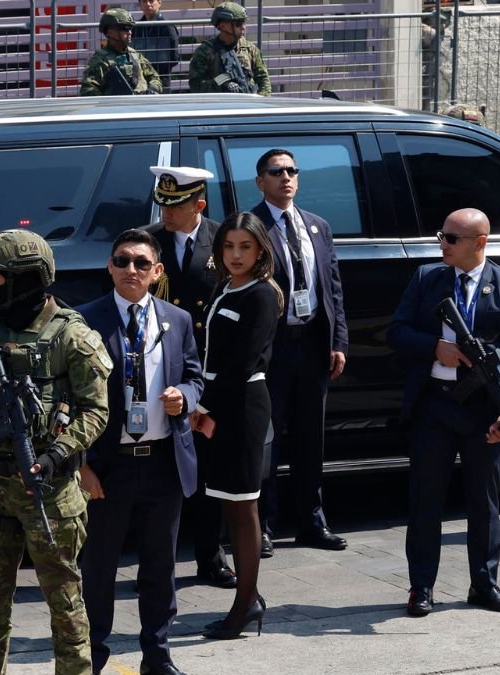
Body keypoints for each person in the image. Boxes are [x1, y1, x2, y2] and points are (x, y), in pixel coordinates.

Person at [0, 229, 111, 675]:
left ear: (25, 280)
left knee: (66, 606)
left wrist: (56, 453)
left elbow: (95, 411)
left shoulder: (72, 336)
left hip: (50, 491)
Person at [387, 208, 500, 618]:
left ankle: (484, 583)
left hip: (483, 410)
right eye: (442, 236)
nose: (443, 244)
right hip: (434, 404)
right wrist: (436, 347)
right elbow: (396, 331)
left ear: (480, 242)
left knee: (483, 502)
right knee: (425, 501)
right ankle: (421, 587)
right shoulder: (426, 279)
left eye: (452, 238)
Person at [76, 229, 203, 675]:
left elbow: (195, 375)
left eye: (141, 263)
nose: (132, 270)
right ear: (110, 267)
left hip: (163, 462)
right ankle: (91, 654)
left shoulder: (177, 319)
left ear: (157, 271)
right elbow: (68, 399)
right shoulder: (85, 320)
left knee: (159, 568)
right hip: (109, 468)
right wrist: (83, 465)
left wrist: (184, 396)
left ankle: (157, 654)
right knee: (99, 569)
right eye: (123, 261)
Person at [248, 149, 349, 557]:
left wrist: (338, 341)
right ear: (260, 181)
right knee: (267, 440)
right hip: (272, 349)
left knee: (311, 438)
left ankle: (312, 521)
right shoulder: (251, 227)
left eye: (292, 171)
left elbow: (334, 288)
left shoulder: (317, 226)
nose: (286, 177)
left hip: (312, 345)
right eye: (276, 172)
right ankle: (264, 524)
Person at [142, 166, 236, 590]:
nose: (167, 212)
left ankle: (209, 556)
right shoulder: (146, 244)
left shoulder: (223, 240)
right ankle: (155, 563)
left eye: (176, 205)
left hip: (209, 369)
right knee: (163, 473)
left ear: (198, 204)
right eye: (162, 203)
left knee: (207, 469)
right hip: (164, 369)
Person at [190, 212, 282, 639]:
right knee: (229, 503)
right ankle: (250, 598)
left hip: (240, 404)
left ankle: (245, 605)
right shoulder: (226, 287)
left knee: (243, 509)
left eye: (245, 247)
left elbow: (243, 362)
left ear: (260, 249)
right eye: (229, 246)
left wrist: (204, 406)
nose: (236, 255)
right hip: (220, 400)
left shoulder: (262, 295)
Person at [188, 2, 271, 96]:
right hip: (218, 105)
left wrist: (261, 101)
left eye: (244, 23)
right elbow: (196, 86)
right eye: (238, 24)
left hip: (247, 104)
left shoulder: (250, 49)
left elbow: (263, 80)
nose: (243, 28)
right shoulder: (205, 51)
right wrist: (222, 85)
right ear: (222, 26)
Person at [81, 8, 162, 96]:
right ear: (110, 32)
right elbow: (88, 89)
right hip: (116, 107)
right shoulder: (101, 60)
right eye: (125, 29)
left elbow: (154, 77)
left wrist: (153, 89)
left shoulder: (135, 55)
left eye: (130, 28)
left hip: (140, 105)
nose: (130, 32)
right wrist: (106, 103)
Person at [132, 0, 179, 91]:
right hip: (140, 78)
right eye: (144, 1)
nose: (148, 4)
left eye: (151, 1)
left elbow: (174, 57)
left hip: (161, 77)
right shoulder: (136, 27)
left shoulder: (166, 26)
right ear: (140, 5)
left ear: (159, 3)